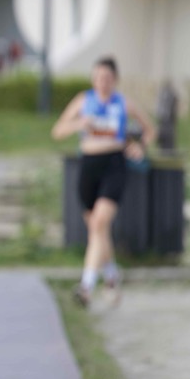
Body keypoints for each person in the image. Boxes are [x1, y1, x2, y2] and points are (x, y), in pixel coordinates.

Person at [50, 56, 156, 308]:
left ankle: (86, 287)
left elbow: (150, 130)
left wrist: (140, 146)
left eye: (107, 78)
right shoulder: (83, 101)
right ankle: (111, 277)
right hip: (88, 166)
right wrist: (78, 123)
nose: (102, 82)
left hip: (114, 165)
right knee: (98, 230)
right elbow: (57, 131)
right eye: (98, 77)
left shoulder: (123, 103)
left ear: (115, 80)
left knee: (99, 223)